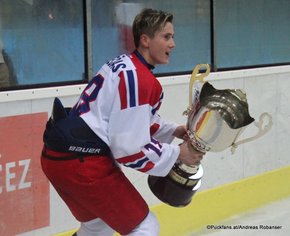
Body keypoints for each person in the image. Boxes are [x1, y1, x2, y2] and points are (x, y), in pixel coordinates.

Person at [41, 8, 205, 236]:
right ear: (145, 40)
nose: (173, 44)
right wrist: (179, 154)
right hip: (82, 163)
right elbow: (129, 150)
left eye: (172, 37)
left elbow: (132, 120)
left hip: (57, 158)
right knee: (145, 226)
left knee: (97, 226)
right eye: (166, 37)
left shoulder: (122, 64)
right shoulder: (141, 79)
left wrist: (175, 130)